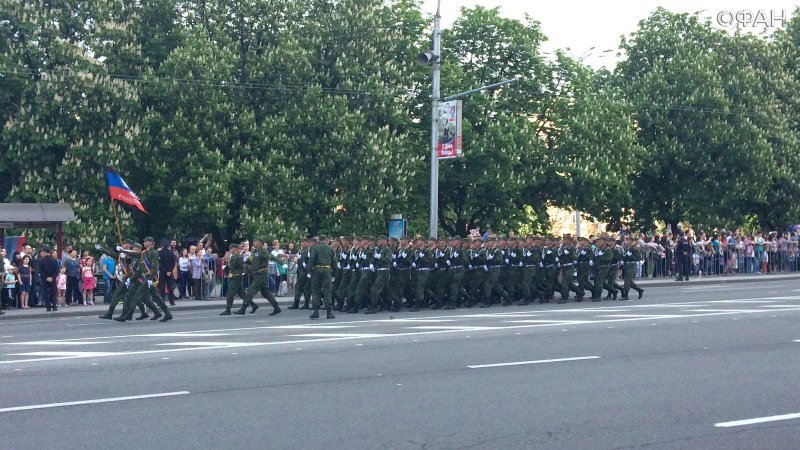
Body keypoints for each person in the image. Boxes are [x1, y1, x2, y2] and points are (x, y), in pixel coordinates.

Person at [240, 238, 282, 316]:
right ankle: (276, 307)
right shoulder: (254, 252)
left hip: (261, 275)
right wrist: (245, 265)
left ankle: (243, 308)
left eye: (255, 241)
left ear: (259, 243)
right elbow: (249, 261)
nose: (253, 242)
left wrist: (282, 263)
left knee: (251, 291)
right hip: (256, 274)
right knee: (265, 292)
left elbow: (272, 257)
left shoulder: (263, 252)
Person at [308, 234, 335, 319]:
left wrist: (309, 271)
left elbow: (311, 260)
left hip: (317, 270)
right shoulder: (331, 249)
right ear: (326, 240)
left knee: (315, 290)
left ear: (319, 240)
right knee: (327, 291)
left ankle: (316, 312)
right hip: (327, 270)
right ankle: (329, 312)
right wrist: (334, 274)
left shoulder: (314, 248)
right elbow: (334, 262)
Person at [220, 244, 247, 316]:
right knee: (242, 294)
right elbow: (230, 266)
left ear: (235, 249)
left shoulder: (238, 257)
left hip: (237, 277)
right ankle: (254, 305)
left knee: (230, 294)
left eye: (231, 248)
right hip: (233, 277)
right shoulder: (233, 257)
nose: (230, 250)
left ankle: (228, 310)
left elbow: (240, 265)